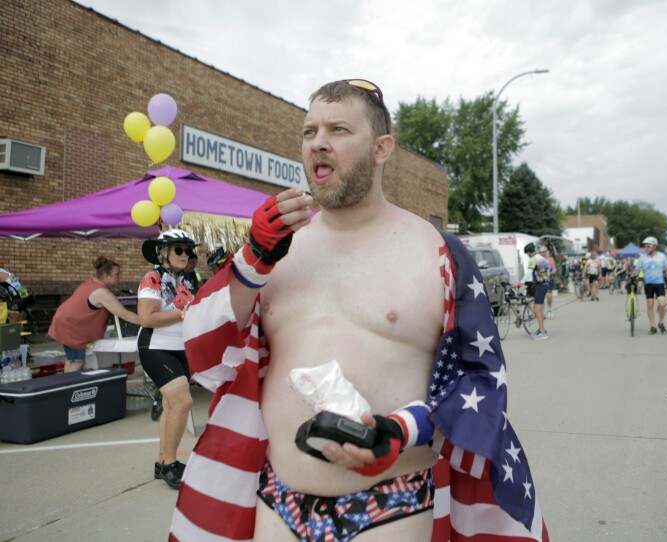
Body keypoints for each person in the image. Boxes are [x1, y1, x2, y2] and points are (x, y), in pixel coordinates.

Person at [172, 80, 546, 541]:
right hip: (278, 497)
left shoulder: (437, 254)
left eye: (339, 129)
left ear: (381, 147)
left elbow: (479, 383)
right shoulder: (275, 253)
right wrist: (250, 260)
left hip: (391, 504)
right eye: (309, 132)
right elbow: (204, 350)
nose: (319, 142)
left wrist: (400, 430)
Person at [137, 229, 198, 490]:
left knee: (171, 405)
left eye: (188, 250)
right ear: (164, 252)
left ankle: (162, 462)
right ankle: (171, 464)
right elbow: (147, 318)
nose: (185, 255)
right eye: (179, 249)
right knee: (182, 402)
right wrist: (184, 314)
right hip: (156, 346)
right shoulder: (153, 278)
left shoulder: (187, 279)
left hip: (178, 346)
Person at [48, 256, 140, 372]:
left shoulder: (91, 282)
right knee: (77, 362)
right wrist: (147, 321)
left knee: (72, 359)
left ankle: (68, 386)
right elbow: (125, 314)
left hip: (66, 322)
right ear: (106, 275)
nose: (119, 277)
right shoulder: (101, 292)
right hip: (71, 328)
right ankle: (69, 388)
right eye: (117, 274)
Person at [635, 236, 667, 335]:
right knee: (650, 305)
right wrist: (631, 276)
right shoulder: (642, 257)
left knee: (661, 304)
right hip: (648, 284)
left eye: (648, 246)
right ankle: (652, 326)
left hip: (659, 283)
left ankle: (661, 322)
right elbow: (636, 270)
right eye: (645, 246)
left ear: (654, 246)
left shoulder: (662, 256)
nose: (646, 248)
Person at [525, 242, 551, 339]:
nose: (527, 255)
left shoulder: (533, 259)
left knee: (537, 309)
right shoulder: (543, 258)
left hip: (540, 285)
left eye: (527, 253)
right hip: (545, 284)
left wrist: (520, 283)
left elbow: (528, 273)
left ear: (529, 252)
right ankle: (541, 329)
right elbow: (548, 270)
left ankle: (542, 332)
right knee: (538, 308)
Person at [539, 245, 556, 319]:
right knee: (542, 297)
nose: (542, 253)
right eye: (541, 252)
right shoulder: (538, 260)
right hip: (541, 280)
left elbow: (554, 269)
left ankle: (549, 309)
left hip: (549, 279)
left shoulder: (550, 260)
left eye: (543, 252)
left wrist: (551, 273)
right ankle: (543, 313)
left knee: (548, 296)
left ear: (546, 252)